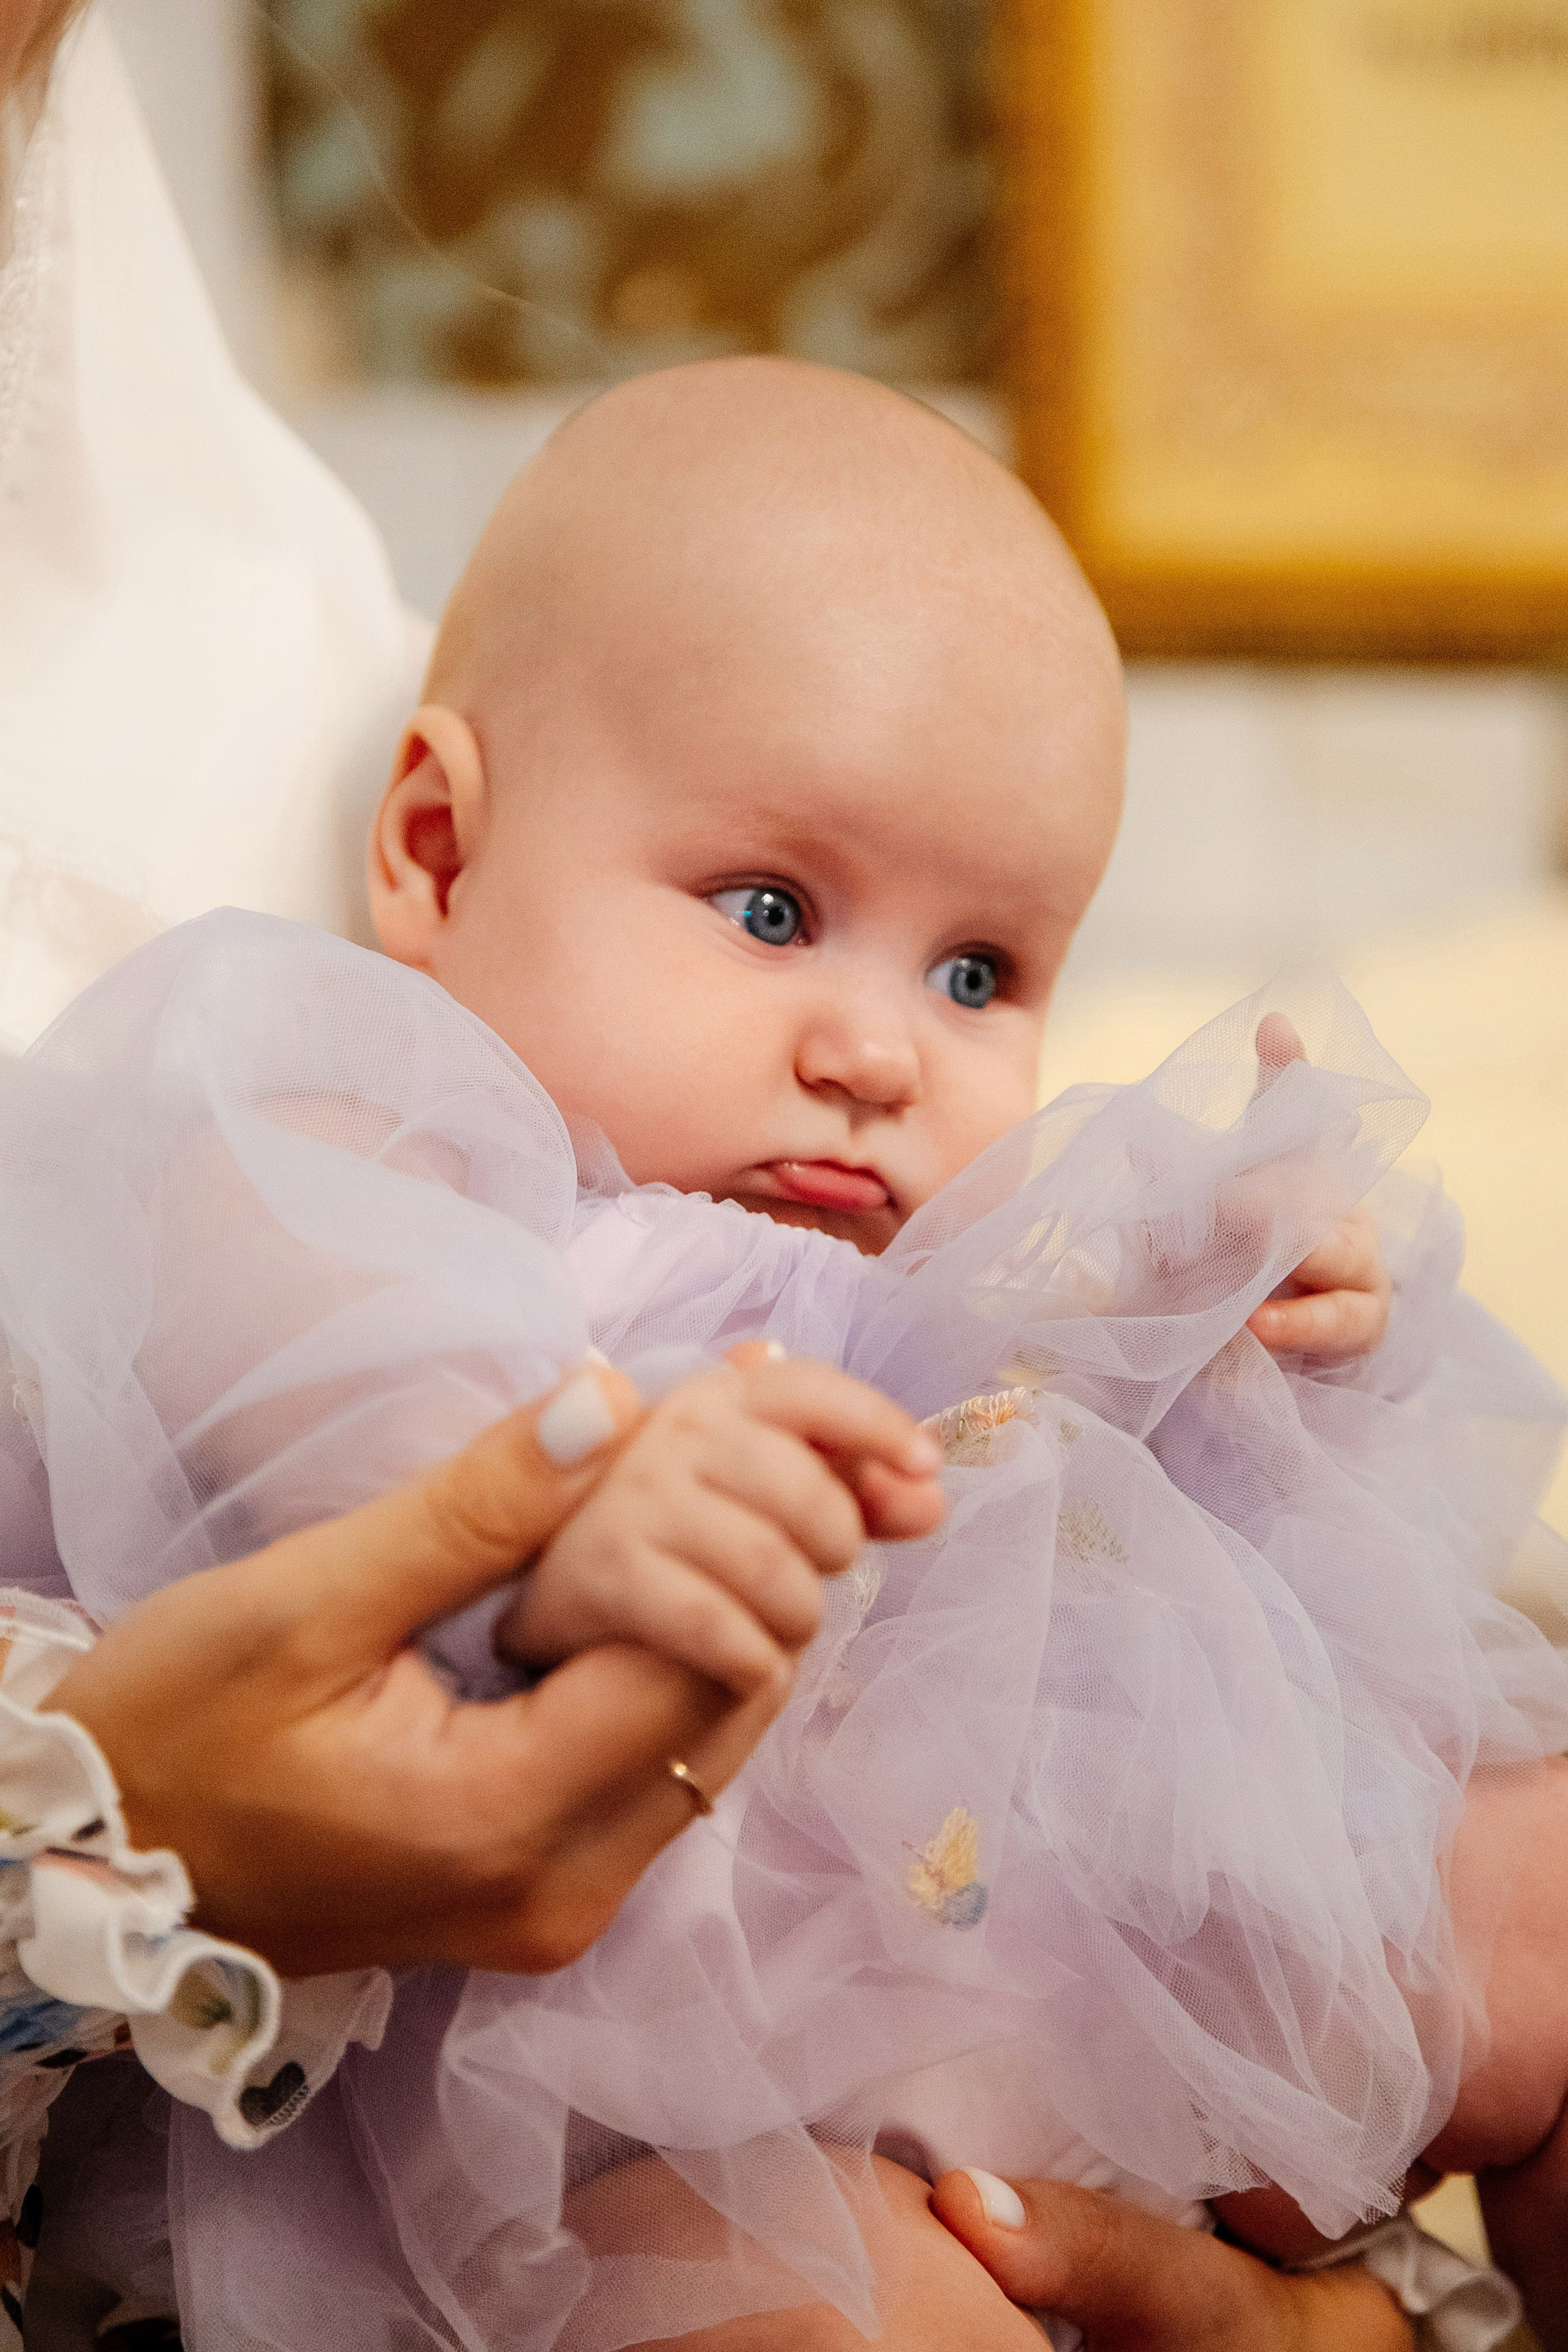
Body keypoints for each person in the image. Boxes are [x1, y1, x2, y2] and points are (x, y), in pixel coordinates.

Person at [0, 355, 1544, 2351]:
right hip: (550, 2152)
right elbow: (304, 1391)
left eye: (980, 970)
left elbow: (1115, 1526)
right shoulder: (363, 1135)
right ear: (439, 855)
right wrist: (555, 1518)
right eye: (770, 905)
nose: (882, 1046)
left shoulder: (921, 1270)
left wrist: (1234, 1325)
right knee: (864, 2311)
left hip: (1015, 1997)